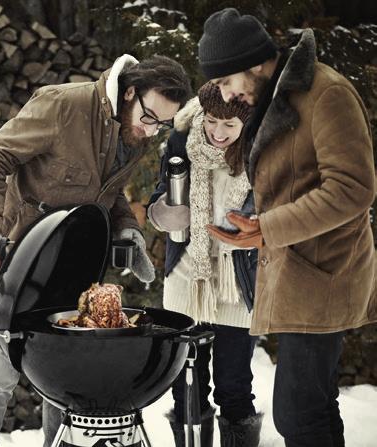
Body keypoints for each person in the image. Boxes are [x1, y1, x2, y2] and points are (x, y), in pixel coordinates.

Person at [0, 54, 192, 447]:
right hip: (27, 262)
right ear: (130, 93)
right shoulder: (63, 105)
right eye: (150, 117)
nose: (152, 131)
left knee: (66, 374)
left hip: (79, 267)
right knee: (0, 375)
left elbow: (110, 193)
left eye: (163, 124)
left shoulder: (131, 134)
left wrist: (127, 229)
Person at [199, 8, 376, 447]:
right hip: (295, 267)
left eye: (225, 81)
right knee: (307, 408)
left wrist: (267, 228)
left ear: (253, 63)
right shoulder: (271, 97)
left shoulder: (326, 93)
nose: (225, 92)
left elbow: (353, 188)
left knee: (300, 412)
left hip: (325, 270)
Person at [147, 82, 262, 447]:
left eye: (229, 124)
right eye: (212, 120)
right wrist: (165, 212)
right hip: (187, 279)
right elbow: (158, 197)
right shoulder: (184, 142)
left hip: (235, 280)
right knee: (186, 387)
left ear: (245, 124)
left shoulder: (261, 154)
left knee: (234, 386)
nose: (218, 132)